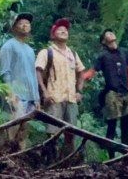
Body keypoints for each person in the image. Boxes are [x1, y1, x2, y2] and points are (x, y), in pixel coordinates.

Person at [35, 18, 85, 156]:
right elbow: (38, 71)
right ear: (53, 34)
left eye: (66, 29)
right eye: (60, 29)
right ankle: (49, 162)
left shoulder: (73, 54)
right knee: (52, 133)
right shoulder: (46, 52)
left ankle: (65, 162)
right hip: (54, 98)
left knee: (71, 134)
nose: (64, 31)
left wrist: (79, 91)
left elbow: (81, 72)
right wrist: (44, 93)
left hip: (71, 99)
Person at [83, 29, 128, 150]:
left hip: (127, 91)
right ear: (103, 41)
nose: (111, 34)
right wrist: (82, 78)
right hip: (112, 92)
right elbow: (93, 71)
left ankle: (126, 153)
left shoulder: (124, 52)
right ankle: (109, 153)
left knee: (125, 123)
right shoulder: (103, 56)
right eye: (107, 34)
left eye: (112, 32)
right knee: (112, 123)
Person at [0, 11, 40, 151]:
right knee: (12, 130)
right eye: (21, 23)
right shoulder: (8, 46)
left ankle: (20, 161)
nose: (24, 26)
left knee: (24, 132)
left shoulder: (30, 50)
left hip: (30, 98)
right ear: (14, 27)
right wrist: (11, 93)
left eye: (27, 23)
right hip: (16, 96)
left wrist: (37, 99)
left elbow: (33, 76)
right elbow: (5, 71)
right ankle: (6, 160)